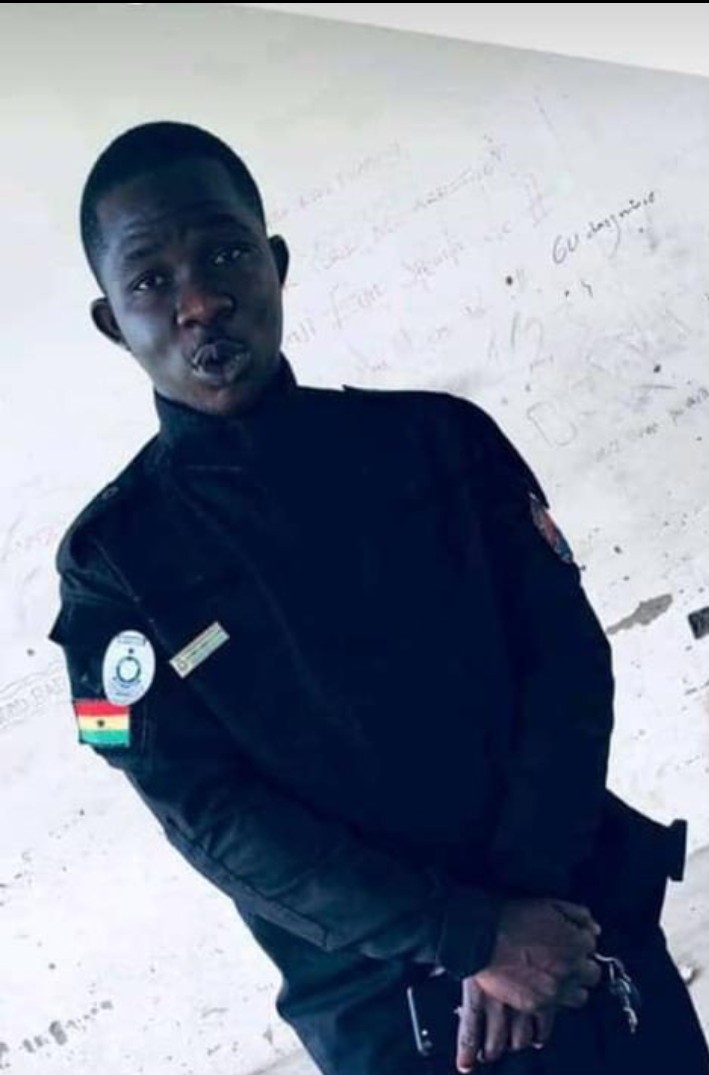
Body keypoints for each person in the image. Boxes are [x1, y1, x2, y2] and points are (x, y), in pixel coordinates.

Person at [49, 121, 708, 1075]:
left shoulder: (440, 442)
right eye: (151, 279)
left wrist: (515, 918)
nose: (200, 301)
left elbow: (566, 664)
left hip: (574, 928)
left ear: (275, 264)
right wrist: (467, 935)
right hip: (389, 1000)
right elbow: (207, 815)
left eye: (226, 254)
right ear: (113, 319)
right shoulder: (110, 569)